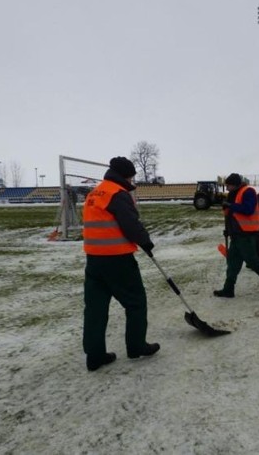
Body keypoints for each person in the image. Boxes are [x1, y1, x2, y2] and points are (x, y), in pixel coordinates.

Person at [82, 156, 160, 371]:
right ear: (126, 174)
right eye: (132, 175)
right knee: (136, 302)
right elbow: (130, 224)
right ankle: (136, 346)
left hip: (94, 260)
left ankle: (94, 356)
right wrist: (146, 242)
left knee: (95, 309)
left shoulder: (95, 192)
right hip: (118, 260)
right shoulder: (118, 194)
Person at [214, 173, 259, 299]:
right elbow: (230, 215)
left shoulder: (248, 192)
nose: (227, 189)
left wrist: (231, 206)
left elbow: (248, 209)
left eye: (229, 186)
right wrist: (228, 230)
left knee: (254, 262)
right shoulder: (232, 194)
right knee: (232, 264)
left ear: (235, 184)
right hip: (236, 235)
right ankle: (228, 289)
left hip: (246, 235)